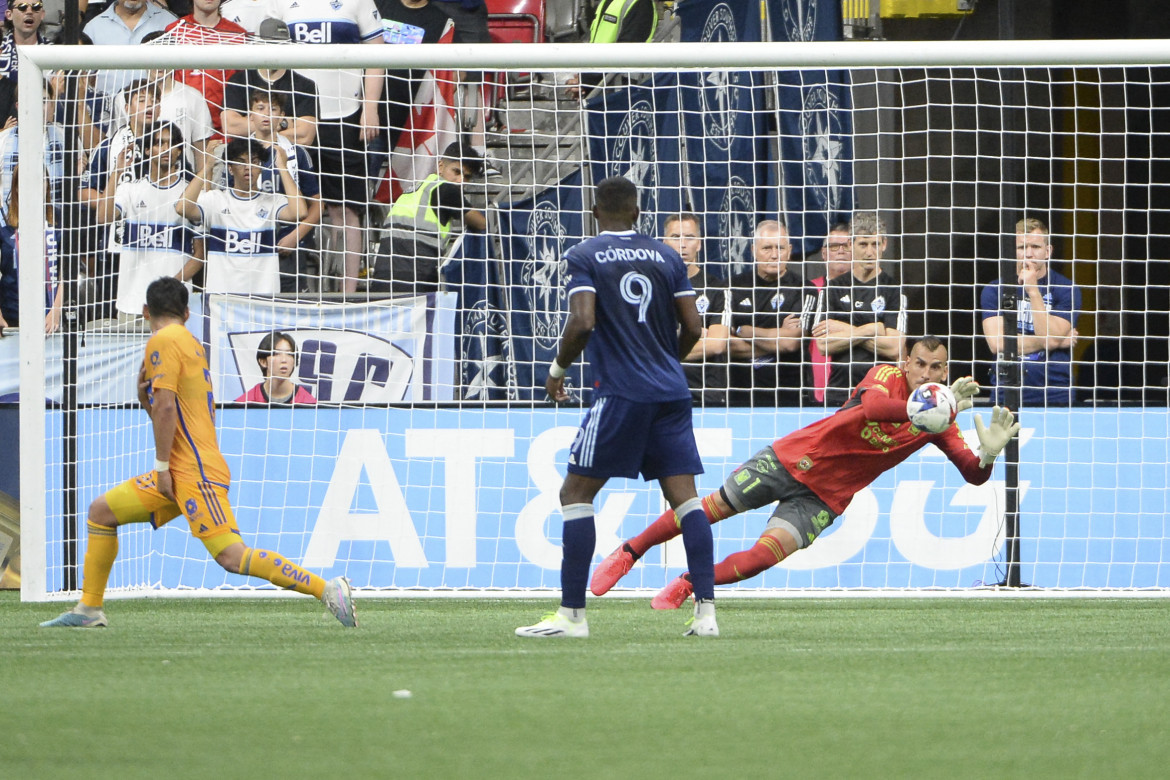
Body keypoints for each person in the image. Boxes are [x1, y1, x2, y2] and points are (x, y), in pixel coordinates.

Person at [590, 335, 1018, 607]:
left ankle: (688, 583)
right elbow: (871, 408)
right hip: (793, 458)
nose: (927, 373)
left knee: (762, 558)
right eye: (921, 364)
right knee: (709, 508)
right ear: (907, 362)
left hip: (825, 497)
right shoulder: (886, 376)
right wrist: (921, 408)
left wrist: (987, 456)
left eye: (937, 368)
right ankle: (629, 552)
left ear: (947, 371)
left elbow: (972, 474)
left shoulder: (940, 423)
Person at [41, 276, 356, 628]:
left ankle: (327, 588)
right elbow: (171, 407)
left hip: (191, 472)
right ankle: (89, 608)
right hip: (185, 467)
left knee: (233, 557)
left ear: (146, 311)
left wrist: (162, 467)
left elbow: (166, 409)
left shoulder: (162, 340)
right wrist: (147, 403)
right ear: (187, 313)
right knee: (102, 511)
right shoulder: (191, 343)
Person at [516, 176, 718, 639]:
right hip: (671, 392)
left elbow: (583, 320)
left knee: (574, 495)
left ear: (593, 212)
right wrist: (666, 359)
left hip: (622, 392)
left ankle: (572, 617)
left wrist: (557, 369)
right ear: (638, 213)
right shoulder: (668, 256)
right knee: (687, 500)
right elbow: (693, 325)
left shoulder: (585, 255)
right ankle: (706, 614)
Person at [266, 0, 385, 295]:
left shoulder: (358, 1)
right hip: (295, 118)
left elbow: (378, 52)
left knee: (344, 209)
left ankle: (347, 291)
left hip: (343, 117)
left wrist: (370, 107)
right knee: (288, 203)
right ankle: (293, 285)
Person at [90, 120, 200, 319]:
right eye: (160, 143)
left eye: (172, 144)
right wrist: (117, 172)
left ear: (179, 152)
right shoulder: (130, 190)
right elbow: (102, 217)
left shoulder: (189, 195)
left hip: (172, 306)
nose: (167, 149)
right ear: (148, 150)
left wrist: (169, 288)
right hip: (132, 304)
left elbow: (200, 254)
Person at [177, 137, 306, 294]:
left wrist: (282, 167)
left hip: (262, 298)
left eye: (254, 162)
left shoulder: (272, 201)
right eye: (241, 162)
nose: (248, 167)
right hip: (222, 299)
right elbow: (182, 207)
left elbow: (300, 212)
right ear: (230, 169)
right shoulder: (216, 200)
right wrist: (207, 166)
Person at [980, 217, 1081, 407]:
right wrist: (1057, 341)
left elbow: (1049, 339)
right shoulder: (994, 289)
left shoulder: (1067, 289)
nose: (1028, 254)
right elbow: (997, 343)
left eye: (1035, 247)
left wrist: (1033, 290)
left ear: (1048, 251)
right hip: (1005, 392)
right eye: (1021, 248)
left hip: (1054, 394)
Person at [812, 211, 906, 407]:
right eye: (863, 244)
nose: (870, 252)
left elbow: (893, 347)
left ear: (884, 245)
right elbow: (823, 346)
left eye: (875, 244)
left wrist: (845, 330)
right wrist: (872, 329)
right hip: (840, 392)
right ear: (850, 246)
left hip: (881, 393)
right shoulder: (833, 289)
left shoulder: (894, 291)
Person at [370, 140, 486, 296]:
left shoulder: (416, 189)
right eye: (457, 172)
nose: (461, 181)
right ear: (440, 166)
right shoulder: (446, 190)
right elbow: (482, 224)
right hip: (415, 280)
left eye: (467, 177)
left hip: (382, 278)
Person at [726, 220, 812, 407]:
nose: (774, 255)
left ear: (789, 251)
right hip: (740, 395)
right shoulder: (731, 287)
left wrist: (746, 331)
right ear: (753, 249)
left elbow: (790, 343)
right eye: (767, 248)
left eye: (780, 248)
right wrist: (777, 337)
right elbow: (725, 345)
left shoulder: (805, 290)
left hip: (791, 396)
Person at [246, 89, 322, 294]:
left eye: (273, 109)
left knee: (290, 309)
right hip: (249, 245)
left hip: (286, 246)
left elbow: (317, 204)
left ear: (281, 116)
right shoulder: (238, 153)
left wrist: (295, 236)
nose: (267, 114)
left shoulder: (297, 153)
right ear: (251, 115)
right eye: (260, 108)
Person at [663, 212, 730, 407]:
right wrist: (697, 336)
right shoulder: (653, 287)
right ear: (664, 242)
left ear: (699, 244)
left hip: (706, 395)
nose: (682, 244)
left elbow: (717, 344)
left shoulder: (717, 289)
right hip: (663, 391)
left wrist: (663, 346)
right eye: (676, 237)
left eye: (689, 237)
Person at [163, 0, 248, 131]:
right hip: (183, 126)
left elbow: (243, 87)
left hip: (226, 130)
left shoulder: (238, 34)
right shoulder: (173, 31)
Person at [84, 0, 177, 99]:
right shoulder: (93, 28)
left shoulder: (170, 23)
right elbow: (82, 80)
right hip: (105, 110)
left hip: (158, 109)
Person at [807, 221, 852, 404]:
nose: (841, 251)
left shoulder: (870, 291)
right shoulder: (809, 290)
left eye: (846, 246)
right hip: (818, 384)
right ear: (824, 253)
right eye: (834, 246)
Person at [236, 330, 318, 404]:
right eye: (276, 354)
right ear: (263, 362)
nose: (284, 360)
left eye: (289, 354)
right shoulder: (246, 403)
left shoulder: (308, 403)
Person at [0, 0, 49, 82]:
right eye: (22, 7)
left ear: (42, 14)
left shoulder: (54, 52)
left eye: (36, 7)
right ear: (9, 14)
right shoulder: (2, 50)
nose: (29, 12)